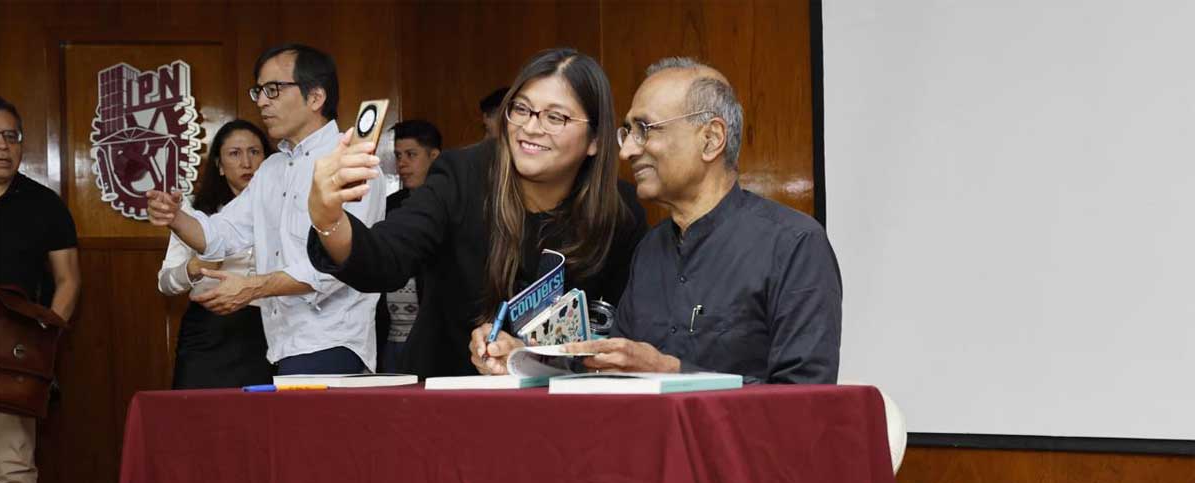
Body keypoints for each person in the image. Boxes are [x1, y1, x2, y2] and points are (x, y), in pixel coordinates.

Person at [484, 58, 843, 384]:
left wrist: (674, 373)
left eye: (645, 129)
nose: (627, 151)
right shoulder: (650, 250)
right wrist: (525, 356)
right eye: (627, 132)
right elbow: (613, 374)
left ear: (711, 139)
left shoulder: (793, 245)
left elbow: (803, 404)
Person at [307, 48, 647, 377]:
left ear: (595, 140)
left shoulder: (620, 211)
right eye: (522, 109)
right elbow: (387, 256)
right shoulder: (462, 175)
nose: (531, 127)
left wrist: (530, 356)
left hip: (562, 409)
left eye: (555, 117)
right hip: (447, 394)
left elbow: (617, 333)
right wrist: (328, 217)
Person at [146, 44, 385, 375]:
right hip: (280, 346)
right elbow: (222, 234)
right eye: (258, 90)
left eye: (273, 89)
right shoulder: (272, 168)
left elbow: (338, 267)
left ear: (315, 98)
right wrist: (175, 217)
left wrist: (254, 287)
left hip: (332, 344)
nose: (261, 101)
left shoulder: (350, 160)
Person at [0, 95, 80, 483]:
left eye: (10, 136)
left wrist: (44, 341)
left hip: (14, 356)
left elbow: (68, 281)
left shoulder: (43, 204)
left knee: (12, 458)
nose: (1, 147)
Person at [157, 120, 274, 388]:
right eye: (235, 153)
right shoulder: (194, 214)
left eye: (255, 152)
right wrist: (193, 268)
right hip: (208, 332)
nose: (247, 163)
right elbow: (165, 283)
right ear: (219, 166)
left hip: (266, 329)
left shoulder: (283, 209)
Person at [377, 120, 441, 372]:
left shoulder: (451, 204)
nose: (402, 163)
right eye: (398, 155)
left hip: (430, 337)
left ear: (433, 156)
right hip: (389, 334)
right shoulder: (389, 206)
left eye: (411, 155)